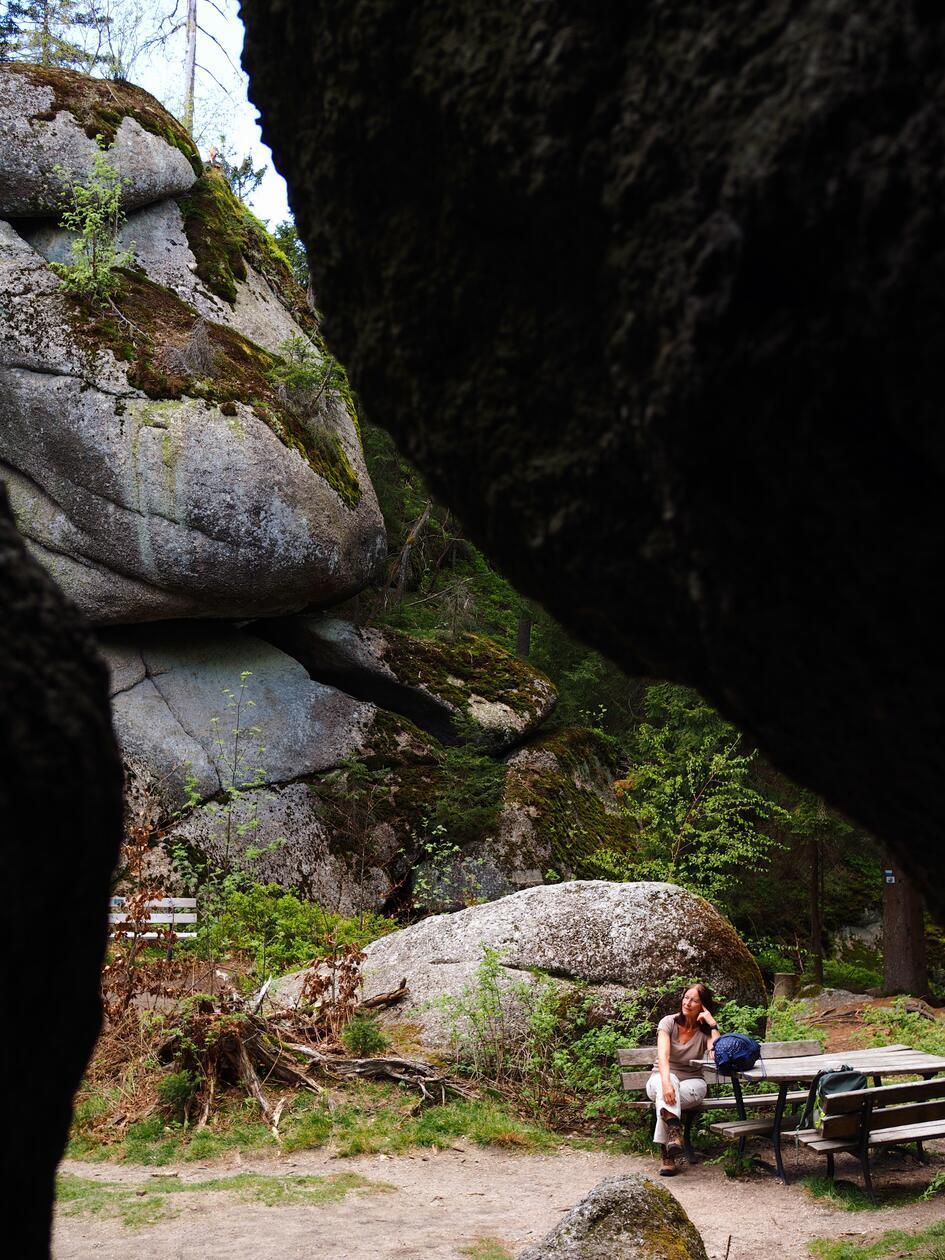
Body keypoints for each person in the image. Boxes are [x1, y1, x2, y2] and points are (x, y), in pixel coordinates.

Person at [646, 981, 720, 1176]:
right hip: (660, 1079)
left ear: (703, 1006)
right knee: (668, 1087)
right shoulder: (668, 1022)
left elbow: (718, 1055)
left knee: (669, 1098)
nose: (687, 1003)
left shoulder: (705, 1030)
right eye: (686, 998)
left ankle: (668, 1154)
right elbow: (663, 1056)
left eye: (694, 1000)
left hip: (693, 1083)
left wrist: (713, 1024)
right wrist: (666, 1084)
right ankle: (673, 1132)